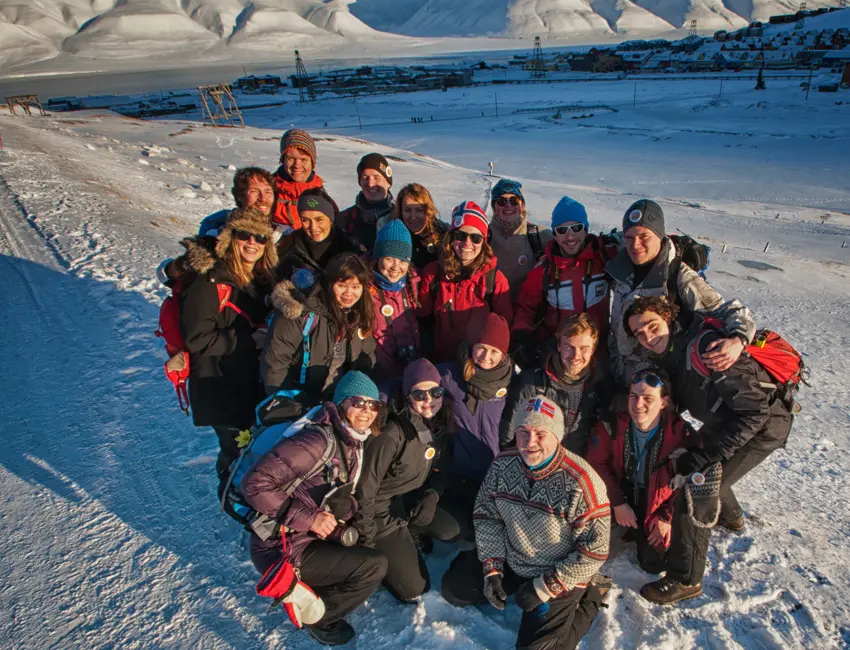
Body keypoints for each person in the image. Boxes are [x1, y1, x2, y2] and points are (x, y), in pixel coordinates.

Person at [624, 296, 794, 604]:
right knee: (707, 465)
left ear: (668, 319)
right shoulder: (672, 355)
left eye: (652, 325)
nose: (647, 336)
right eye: (639, 333)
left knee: (697, 481)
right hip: (726, 419)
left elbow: (755, 413)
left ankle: (685, 578)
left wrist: (706, 456)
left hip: (762, 426)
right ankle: (732, 518)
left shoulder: (705, 348)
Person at [442, 396, 611, 650]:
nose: (530, 442)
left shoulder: (581, 483)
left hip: (556, 571)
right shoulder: (503, 464)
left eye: (541, 433)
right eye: (524, 432)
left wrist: (545, 586)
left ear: (557, 436)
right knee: (455, 589)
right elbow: (487, 515)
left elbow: (595, 551)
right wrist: (493, 569)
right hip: (513, 558)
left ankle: (593, 596)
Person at [242, 371, 389, 646]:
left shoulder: (351, 439)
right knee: (373, 567)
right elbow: (255, 485)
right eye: (358, 402)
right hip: (280, 546)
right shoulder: (316, 440)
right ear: (342, 402)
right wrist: (310, 519)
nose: (366, 411)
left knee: (364, 545)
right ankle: (318, 618)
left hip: (306, 537)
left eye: (373, 405)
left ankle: (311, 589)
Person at [606, 199, 756, 384]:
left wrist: (738, 339)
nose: (635, 245)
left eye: (644, 237)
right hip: (621, 373)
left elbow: (728, 310)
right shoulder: (621, 271)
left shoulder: (678, 276)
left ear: (659, 235)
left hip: (657, 382)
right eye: (629, 237)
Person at [179, 208, 277, 488]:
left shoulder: (258, 281)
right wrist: (249, 340)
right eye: (244, 234)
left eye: (260, 238)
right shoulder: (209, 281)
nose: (252, 243)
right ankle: (233, 499)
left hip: (247, 384)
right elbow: (197, 338)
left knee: (252, 450)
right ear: (229, 237)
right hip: (220, 385)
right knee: (237, 453)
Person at [354, 359, 455, 603]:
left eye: (435, 392)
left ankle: (409, 534)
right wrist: (367, 540)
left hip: (409, 498)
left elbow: (443, 469)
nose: (429, 400)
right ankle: (384, 553)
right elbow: (364, 490)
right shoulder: (391, 434)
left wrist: (432, 496)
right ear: (407, 395)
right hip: (380, 511)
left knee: (450, 529)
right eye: (419, 394)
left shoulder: (441, 422)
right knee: (415, 589)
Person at [586, 367, 695, 576]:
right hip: (622, 488)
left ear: (663, 402)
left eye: (648, 398)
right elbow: (595, 463)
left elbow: (690, 480)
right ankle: (628, 526)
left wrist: (667, 516)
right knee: (586, 538)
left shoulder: (680, 434)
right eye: (633, 396)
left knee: (653, 562)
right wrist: (617, 502)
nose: (638, 405)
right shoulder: (612, 425)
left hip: (657, 499)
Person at [431, 313, 513, 555]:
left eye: (494, 351)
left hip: (495, 479)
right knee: (454, 529)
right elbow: (415, 380)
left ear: (504, 355)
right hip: (459, 475)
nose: (486, 357)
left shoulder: (513, 384)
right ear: (471, 346)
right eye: (481, 348)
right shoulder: (449, 376)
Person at [261, 253, 376, 409]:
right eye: (341, 285)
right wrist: (285, 404)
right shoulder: (303, 312)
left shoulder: (358, 315)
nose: (349, 293)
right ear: (329, 284)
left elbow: (366, 357)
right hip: (299, 400)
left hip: (339, 401)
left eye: (355, 287)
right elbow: (275, 362)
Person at [511, 196, 616, 368]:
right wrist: (522, 334)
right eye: (562, 230)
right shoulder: (544, 270)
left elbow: (639, 241)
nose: (570, 236)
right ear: (554, 233)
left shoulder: (603, 257)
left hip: (600, 354)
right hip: (558, 355)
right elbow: (525, 306)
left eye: (576, 228)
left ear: (586, 230)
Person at [502, 314, 613, 456]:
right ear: (559, 345)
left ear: (593, 349)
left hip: (577, 464)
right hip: (536, 461)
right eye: (569, 347)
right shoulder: (533, 382)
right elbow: (510, 429)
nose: (575, 356)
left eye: (583, 348)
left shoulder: (601, 384)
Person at [419, 201, 512, 363]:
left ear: (484, 241)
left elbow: (503, 329)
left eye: (476, 238)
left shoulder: (494, 280)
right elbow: (422, 321)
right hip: (441, 362)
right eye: (460, 236)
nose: (467, 244)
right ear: (451, 238)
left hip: (478, 365)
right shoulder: (433, 273)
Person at [157, 167, 277, 285]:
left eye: (268, 192)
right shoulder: (218, 227)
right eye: (254, 191)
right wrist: (184, 265)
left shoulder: (281, 232)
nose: (263, 198)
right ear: (240, 195)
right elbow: (166, 274)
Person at [369, 221, 421, 384]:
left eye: (402, 260)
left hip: (412, 376)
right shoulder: (362, 288)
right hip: (378, 379)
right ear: (378, 257)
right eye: (389, 259)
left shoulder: (415, 284)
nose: (396, 267)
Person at [277, 188, 359, 288]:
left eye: (319, 219)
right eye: (305, 220)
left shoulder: (351, 249)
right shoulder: (287, 247)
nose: (313, 227)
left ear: (330, 219)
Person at [487, 179, 552, 302]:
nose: (508, 205)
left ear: (522, 205)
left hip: (530, 314)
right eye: (501, 201)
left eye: (514, 200)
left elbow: (569, 246)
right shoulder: (481, 237)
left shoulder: (538, 235)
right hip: (492, 313)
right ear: (494, 207)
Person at [272, 129, 328, 234]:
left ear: (312, 163)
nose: (297, 165)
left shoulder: (319, 193)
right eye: (291, 158)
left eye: (303, 160)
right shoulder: (267, 191)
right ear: (282, 160)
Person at [381, 183, 447, 271]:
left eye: (419, 210)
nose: (413, 217)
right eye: (407, 210)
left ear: (428, 210)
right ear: (400, 211)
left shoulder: (443, 234)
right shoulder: (391, 234)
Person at [338, 153, 395, 254]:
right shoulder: (345, 219)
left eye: (376, 177)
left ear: (388, 182)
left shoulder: (401, 216)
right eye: (365, 177)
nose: (370, 183)